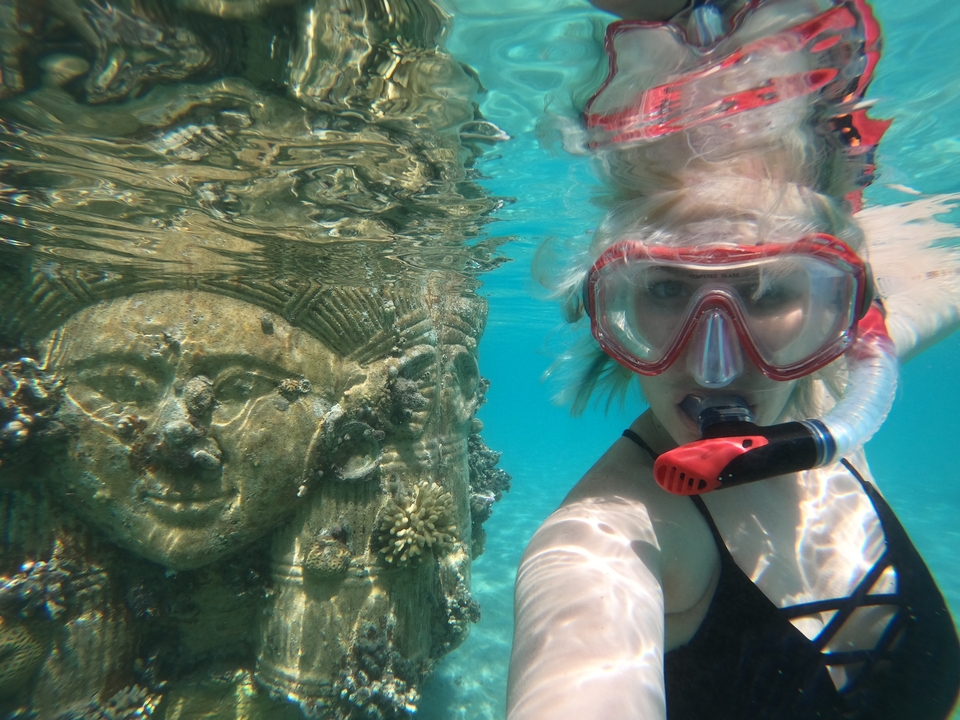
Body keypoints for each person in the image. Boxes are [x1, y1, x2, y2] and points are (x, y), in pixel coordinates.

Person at [507, 1, 960, 718]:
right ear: (608, 312)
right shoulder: (610, 540)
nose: (715, 366)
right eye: (665, 289)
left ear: (837, 316)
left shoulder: (839, 386)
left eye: (767, 290)